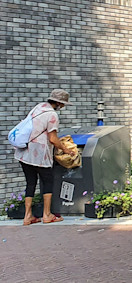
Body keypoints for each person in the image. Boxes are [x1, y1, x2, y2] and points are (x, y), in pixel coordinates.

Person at [14, 89, 77, 225]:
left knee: (30, 183)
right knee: (48, 181)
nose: (64, 107)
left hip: (24, 152)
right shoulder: (52, 115)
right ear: (59, 103)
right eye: (63, 104)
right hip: (39, 154)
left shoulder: (38, 108)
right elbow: (53, 139)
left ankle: (27, 216)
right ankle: (47, 215)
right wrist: (66, 150)